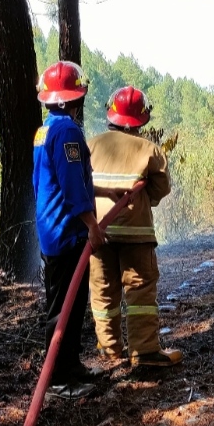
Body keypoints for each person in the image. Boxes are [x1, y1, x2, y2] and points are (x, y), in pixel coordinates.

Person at [87, 86, 183, 367]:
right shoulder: (149, 150)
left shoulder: (91, 145)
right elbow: (161, 187)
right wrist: (145, 202)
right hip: (137, 235)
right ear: (141, 120)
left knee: (103, 291)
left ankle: (109, 351)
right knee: (139, 292)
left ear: (112, 115)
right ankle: (144, 352)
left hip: (97, 233)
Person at [32, 60, 106, 399]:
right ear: (69, 100)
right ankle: (58, 381)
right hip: (67, 231)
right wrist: (92, 225)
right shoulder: (67, 132)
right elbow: (74, 184)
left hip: (52, 230)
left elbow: (47, 182)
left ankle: (70, 365)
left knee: (71, 304)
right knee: (63, 308)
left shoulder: (45, 129)